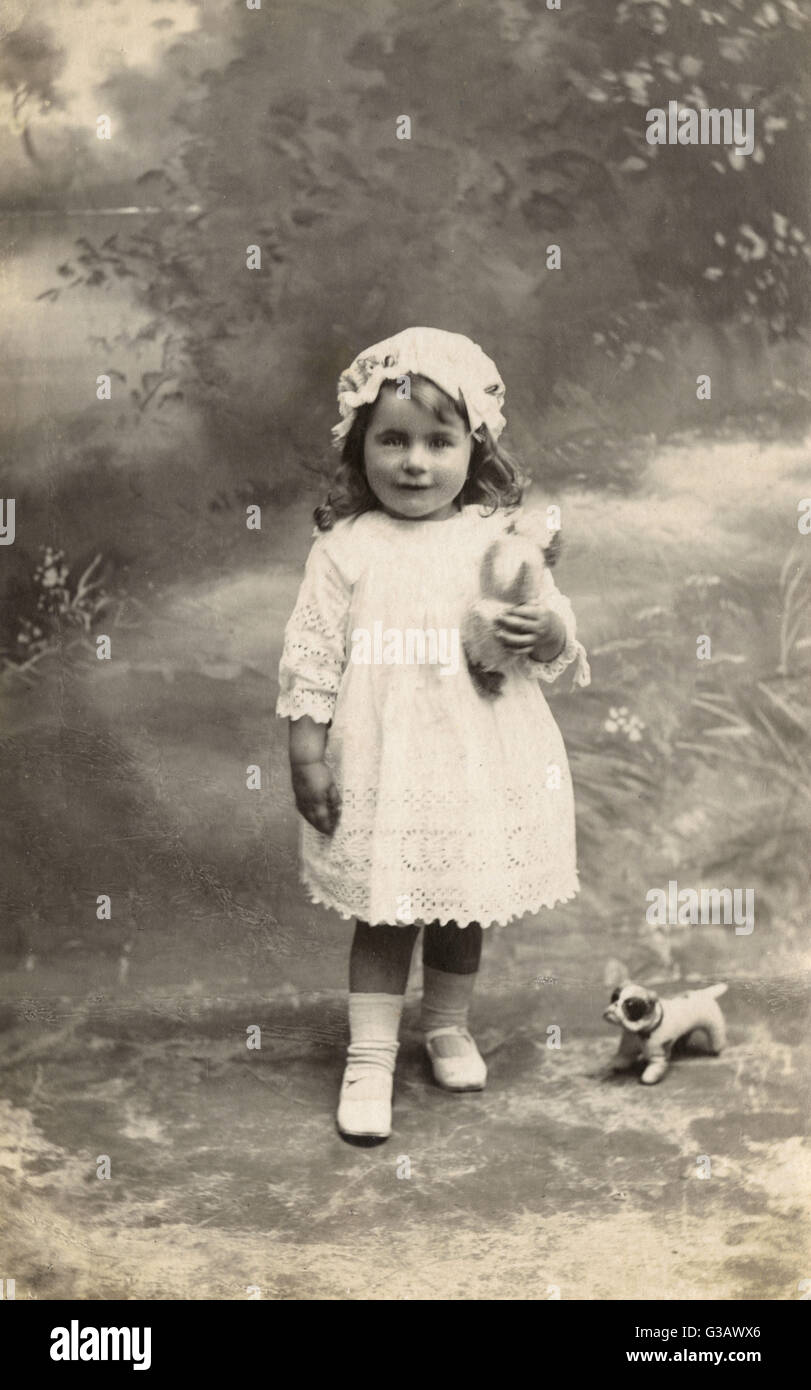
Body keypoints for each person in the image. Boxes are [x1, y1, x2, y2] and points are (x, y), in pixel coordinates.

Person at [276, 326, 589, 1141]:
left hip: (476, 752)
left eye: (437, 442)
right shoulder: (345, 548)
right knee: (385, 910)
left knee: (459, 903)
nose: (414, 461)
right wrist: (306, 751)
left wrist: (544, 634)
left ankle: (447, 1024)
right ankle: (371, 1055)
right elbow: (310, 652)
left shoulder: (496, 540)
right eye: (392, 440)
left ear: (473, 449)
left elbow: (549, 626)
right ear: (359, 448)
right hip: (385, 754)